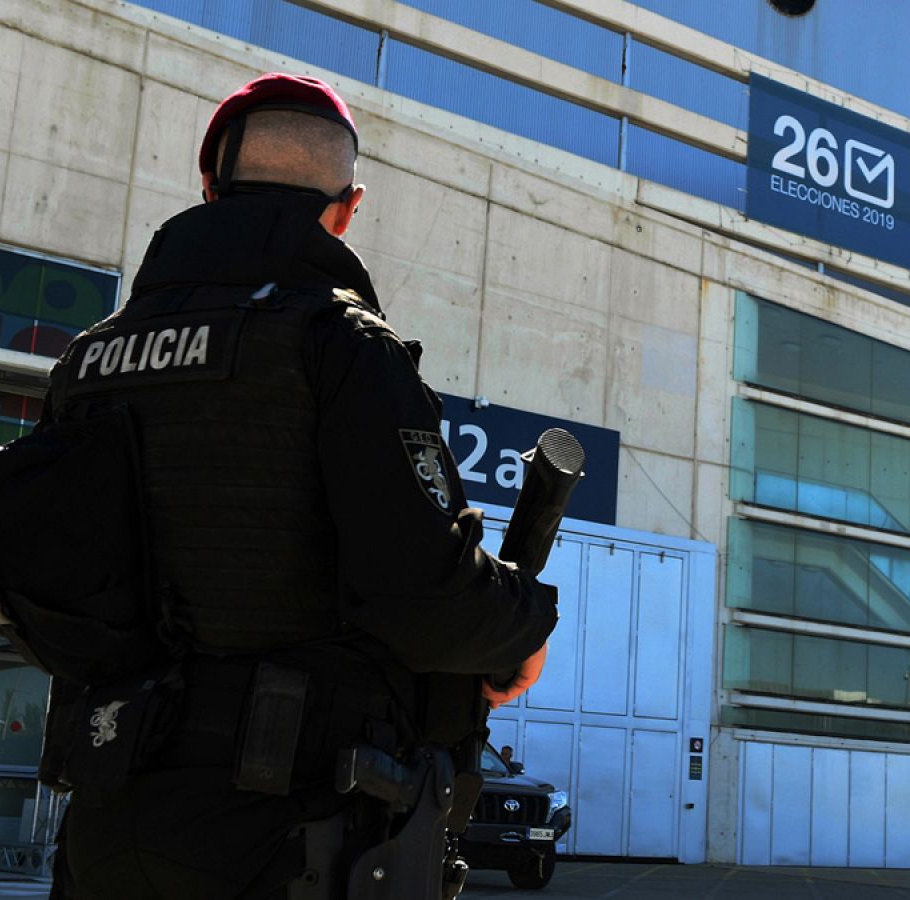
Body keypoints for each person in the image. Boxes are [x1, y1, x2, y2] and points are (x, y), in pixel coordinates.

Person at [38, 72, 558, 899]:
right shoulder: (344, 343)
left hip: (108, 824)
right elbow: (426, 597)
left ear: (209, 187)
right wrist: (522, 627)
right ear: (349, 208)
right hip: (295, 833)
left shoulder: (88, 361)